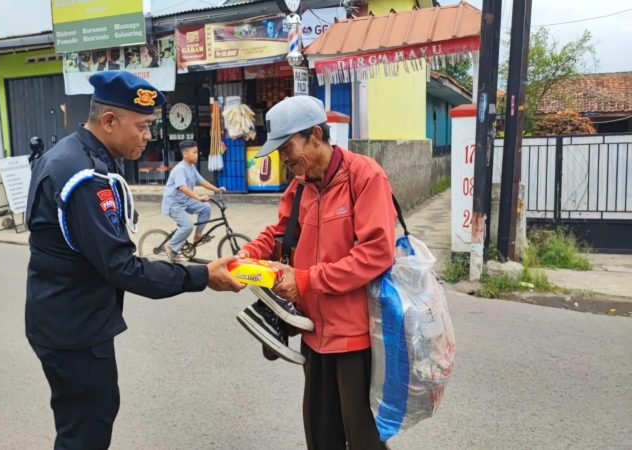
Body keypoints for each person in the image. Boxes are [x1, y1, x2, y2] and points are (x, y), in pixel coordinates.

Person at [25, 71, 245, 450]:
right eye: (142, 127)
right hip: (76, 330)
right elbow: (122, 267)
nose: (147, 136)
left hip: (64, 319)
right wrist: (202, 275)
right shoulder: (83, 176)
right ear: (109, 121)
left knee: (84, 421)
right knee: (86, 432)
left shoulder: (75, 155)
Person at [236, 96, 397, 450]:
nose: (283, 159)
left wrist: (307, 280)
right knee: (320, 435)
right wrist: (247, 255)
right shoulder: (301, 185)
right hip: (313, 334)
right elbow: (280, 233)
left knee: (364, 439)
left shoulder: (364, 176)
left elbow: (376, 252)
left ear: (314, 135)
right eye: (278, 152)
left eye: (287, 147)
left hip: (356, 338)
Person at [161, 139, 225, 262]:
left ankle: (198, 235)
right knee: (187, 226)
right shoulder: (180, 169)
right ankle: (170, 246)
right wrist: (199, 197)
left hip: (185, 201)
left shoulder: (191, 167)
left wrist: (216, 189)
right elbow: (182, 187)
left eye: (197, 152)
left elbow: (201, 181)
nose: (197, 155)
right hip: (174, 204)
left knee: (206, 207)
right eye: (194, 152)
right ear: (185, 154)